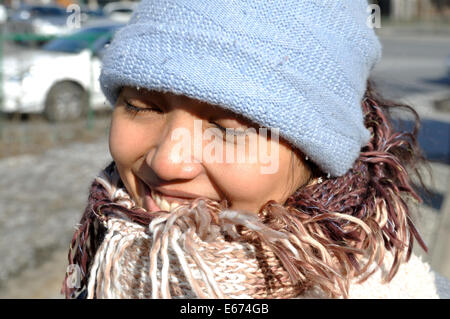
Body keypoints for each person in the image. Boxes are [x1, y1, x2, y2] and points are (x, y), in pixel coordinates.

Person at [62, 0, 449, 299]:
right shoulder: (96, 263)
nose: (166, 162)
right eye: (141, 107)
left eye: (229, 128)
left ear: (317, 156)